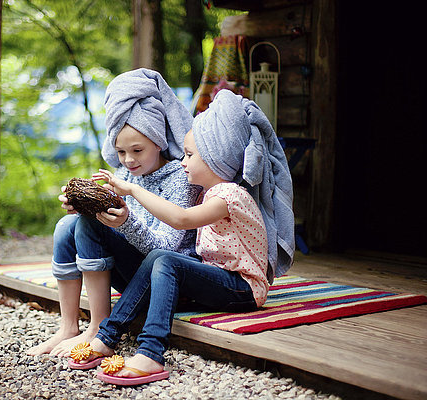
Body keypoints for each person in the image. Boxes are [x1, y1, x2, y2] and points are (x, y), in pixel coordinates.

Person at [68, 89, 294, 385]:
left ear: (215, 158)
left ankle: (151, 351)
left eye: (189, 155)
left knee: (165, 259)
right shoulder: (212, 193)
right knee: (159, 258)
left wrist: (133, 189)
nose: (182, 161)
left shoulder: (230, 195)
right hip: (217, 281)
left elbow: (180, 218)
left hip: (243, 290)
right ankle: (107, 336)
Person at [26, 68, 202, 357]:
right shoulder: (125, 175)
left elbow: (166, 249)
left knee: (88, 227)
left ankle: (98, 325)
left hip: (162, 282)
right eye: (121, 152)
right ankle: (68, 326)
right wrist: (83, 204)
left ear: (158, 141)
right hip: (133, 271)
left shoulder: (180, 178)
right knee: (67, 224)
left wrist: (126, 222)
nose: (128, 160)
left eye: (137, 150)